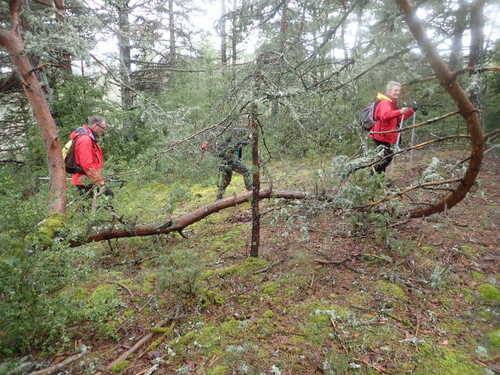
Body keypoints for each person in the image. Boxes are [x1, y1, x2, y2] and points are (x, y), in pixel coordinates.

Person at [369, 81, 416, 174]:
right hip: (381, 136)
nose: (397, 92)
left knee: (384, 160)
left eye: (399, 90)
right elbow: (385, 115)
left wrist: (411, 111)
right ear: (389, 91)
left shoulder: (391, 103)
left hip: (386, 136)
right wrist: (400, 111)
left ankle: (378, 181)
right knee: (384, 160)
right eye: (395, 90)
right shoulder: (385, 103)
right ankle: (373, 179)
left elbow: (398, 119)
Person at [201, 120, 253, 200]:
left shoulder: (223, 135)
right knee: (246, 172)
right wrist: (249, 139)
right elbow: (238, 144)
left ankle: (219, 198)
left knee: (226, 180)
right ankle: (251, 192)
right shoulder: (230, 135)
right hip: (230, 160)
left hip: (224, 161)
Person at [70, 115, 113, 198]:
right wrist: (100, 182)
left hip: (88, 179)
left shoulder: (89, 138)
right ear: (95, 126)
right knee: (108, 196)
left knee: (87, 206)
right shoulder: (85, 140)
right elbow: (87, 165)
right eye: (103, 128)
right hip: (85, 181)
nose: (104, 131)